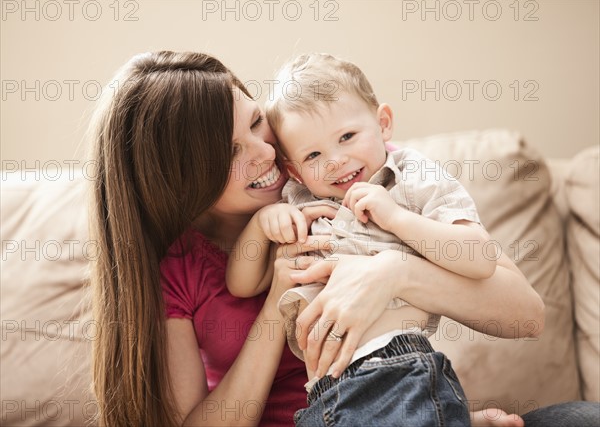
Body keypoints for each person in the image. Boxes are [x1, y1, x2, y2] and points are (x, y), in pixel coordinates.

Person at [88, 50, 596, 427]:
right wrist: (275, 306)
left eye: (256, 124)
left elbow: (525, 313)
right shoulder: (177, 269)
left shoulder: (352, 173)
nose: (265, 155)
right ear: (182, 180)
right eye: (229, 153)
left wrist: (392, 273)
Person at [225, 52, 498, 426]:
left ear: (383, 123)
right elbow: (242, 285)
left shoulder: (409, 179)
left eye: (347, 137)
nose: (335, 160)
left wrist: (397, 218)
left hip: (396, 367)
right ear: (295, 170)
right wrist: (261, 224)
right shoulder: (299, 200)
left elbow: (480, 259)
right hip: (322, 396)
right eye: (314, 154)